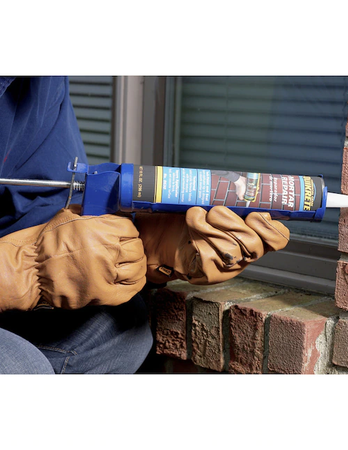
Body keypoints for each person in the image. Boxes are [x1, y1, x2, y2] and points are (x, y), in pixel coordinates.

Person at [0, 76, 290, 374]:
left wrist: (147, 243)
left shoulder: (36, 83)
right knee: (22, 366)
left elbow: (41, 203)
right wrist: (26, 269)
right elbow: (35, 261)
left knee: (120, 334)